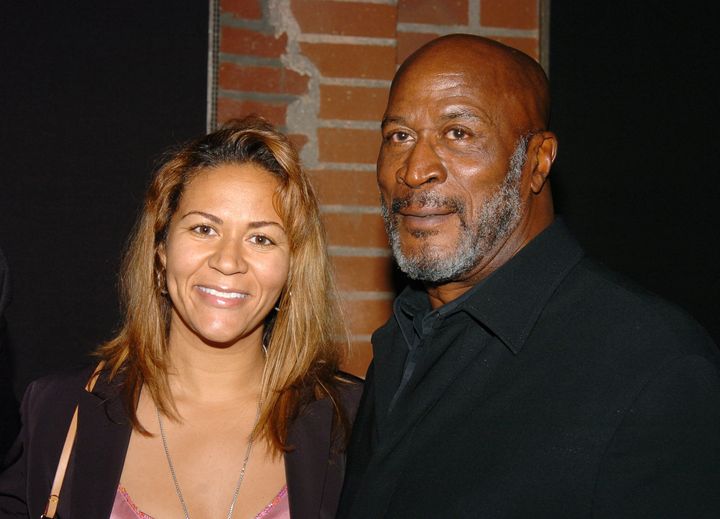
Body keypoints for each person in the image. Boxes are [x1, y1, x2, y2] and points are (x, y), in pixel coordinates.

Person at [337, 34, 720, 519]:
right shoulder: (401, 342)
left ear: (537, 161)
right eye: (399, 136)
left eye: (458, 133)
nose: (415, 170)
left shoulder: (651, 367)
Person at [0, 116, 361, 518]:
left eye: (261, 238)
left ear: (292, 268)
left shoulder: (351, 422)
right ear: (161, 251)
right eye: (204, 229)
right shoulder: (57, 413)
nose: (228, 261)